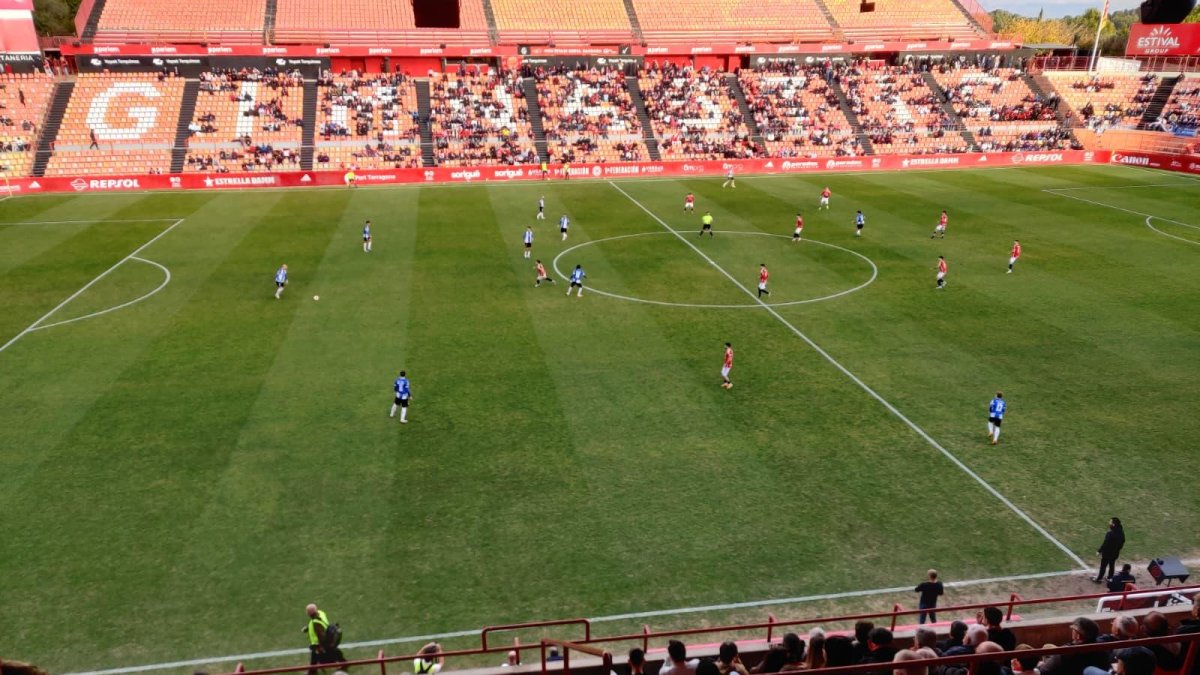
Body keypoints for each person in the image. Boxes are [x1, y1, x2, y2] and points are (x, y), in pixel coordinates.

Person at [1037, 617, 1109, 675]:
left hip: (1058, 667)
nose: (1071, 630)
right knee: (1048, 646)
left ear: (1078, 636)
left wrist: (1041, 666)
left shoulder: (1064, 653)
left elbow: (1044, 671)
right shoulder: (1102, 649)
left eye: (1073, 629)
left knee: (1047, 650)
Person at [304, 603, 345, 675]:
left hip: (321, 642)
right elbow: (320, 622)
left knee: (317, 652)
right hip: (329, 636)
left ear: (308, 614)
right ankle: (312, 671)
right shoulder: (321, 613)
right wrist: (308, 627)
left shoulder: (315, 624)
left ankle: (312, 671)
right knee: (333, 650)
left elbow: (320, 635)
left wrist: (321, 646)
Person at [1095, 517, 1125, 583]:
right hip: (1115, 553)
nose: (1109, 523)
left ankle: (1099, 579)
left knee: (1103, 566)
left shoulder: (1110, 533)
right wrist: (1118, 549)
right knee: (1112, 565)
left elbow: (1105, 544)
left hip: (1107, 553)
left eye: (1110, 522)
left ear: (1113, 524)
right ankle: (1110, 577)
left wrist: (1099, 551)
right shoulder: (1121, 533)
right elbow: (1122, 542)